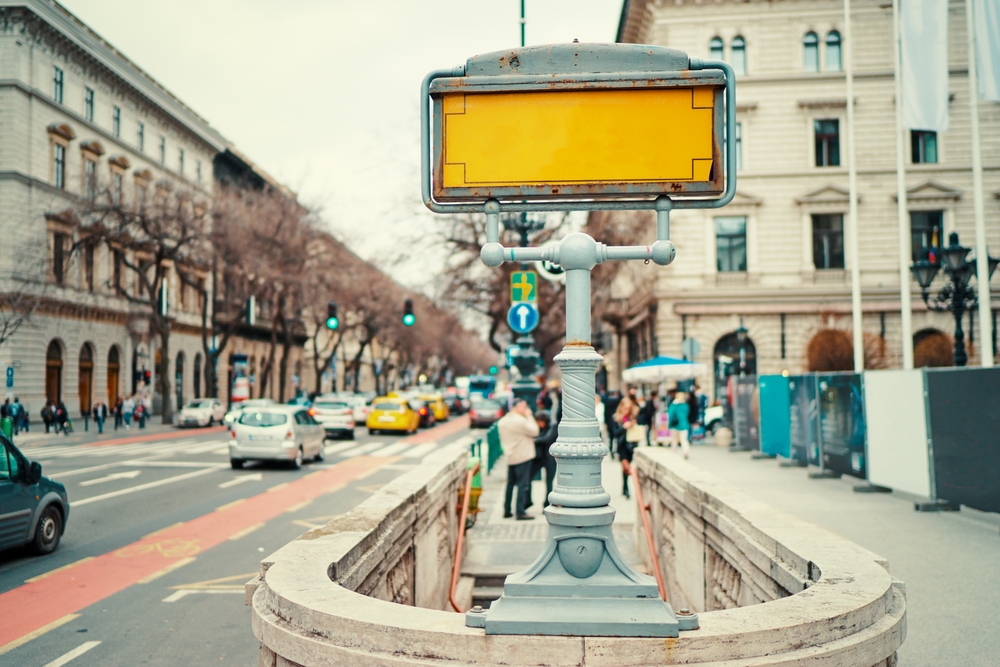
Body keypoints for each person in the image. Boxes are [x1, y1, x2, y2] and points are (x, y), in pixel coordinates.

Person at [497, 399, 539, 520]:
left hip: (511, 456)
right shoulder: (520, 421)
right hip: (523, 455)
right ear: (517, 407)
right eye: (524, 407)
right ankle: (520, 512)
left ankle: (507, 510)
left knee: (510, 484)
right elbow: (535, 431)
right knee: (522, 484)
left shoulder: (503, 421)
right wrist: (529, 416)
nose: (525, 410)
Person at [614, 395, 641, 498]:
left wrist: (634, 424)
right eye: (625, 408)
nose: (627, 410)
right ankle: (626, 489)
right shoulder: (617, 418)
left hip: (631, 445)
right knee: (626, 466)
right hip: (622, 446)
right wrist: (624, 427)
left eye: (629, 408)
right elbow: (615, 433)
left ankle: (625, 486)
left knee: (626, 468)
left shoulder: (632, 417)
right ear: (621, 407)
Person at [532, 410, 558, 507]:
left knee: (548, 481)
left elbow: (547, 439)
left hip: (549, 458)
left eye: (540, 422)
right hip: (539, 457)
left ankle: (547, 503)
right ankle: (527, 501)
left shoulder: (552, 426)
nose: (539, 424)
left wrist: (535, 439)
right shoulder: (539, 428)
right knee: (528, 478)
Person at [668, 391, 692, 459]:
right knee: (684, 440)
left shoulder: (674, 405)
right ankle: (685, 452)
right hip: (684, 424)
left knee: (674, 439)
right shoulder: (686, 405)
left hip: (674, 425)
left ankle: (674, 452)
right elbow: (687, 413)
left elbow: (670, 414)